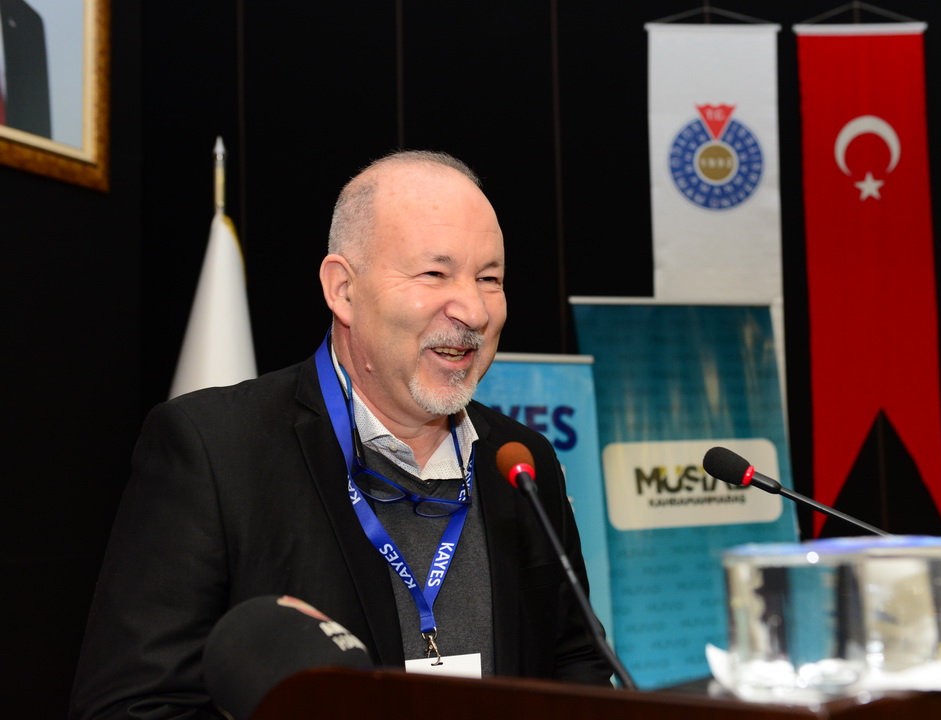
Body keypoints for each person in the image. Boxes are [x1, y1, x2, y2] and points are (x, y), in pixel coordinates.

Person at [70, 151, 612, 719]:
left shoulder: (521, 462)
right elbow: (131, 706)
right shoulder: (214, 451)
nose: (473, 310)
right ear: (343, 289)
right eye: (435, 273)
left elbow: (575, 657)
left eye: (489, 279)